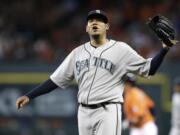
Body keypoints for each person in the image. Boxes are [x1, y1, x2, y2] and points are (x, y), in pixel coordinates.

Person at [16, 9, 171, 135]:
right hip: (83, 111)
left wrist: (165, 49)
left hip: (108, 110)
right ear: (86, 28)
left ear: (107, 27)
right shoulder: (77, 53)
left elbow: (149, 69)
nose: (95, 23)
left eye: (100, 20)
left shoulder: (121, 49)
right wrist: (30, 95)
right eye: (91, 21)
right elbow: (56, 80)